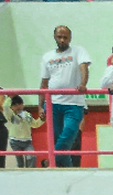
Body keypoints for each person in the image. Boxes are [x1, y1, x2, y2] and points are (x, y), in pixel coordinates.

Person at [38, 24, 89, 168]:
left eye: (65, 37)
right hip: (52, 103)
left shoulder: (79, 51)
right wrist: (40, 106)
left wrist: (83, 84)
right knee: (56, 138)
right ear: (55, 37)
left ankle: (51, 160)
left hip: (74, 103)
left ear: (70, 38)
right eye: (59, 37)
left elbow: (84, 68)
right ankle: (67, 171)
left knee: (68, 135)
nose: (62, 40)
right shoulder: (47, 57)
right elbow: (44, 82)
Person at [4, 94, 43, 169]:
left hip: (27, 141)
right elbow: (5, 107)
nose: (18, 106)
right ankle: (20, 173)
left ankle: (30, 172)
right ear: (11, 107)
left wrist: (41, 120)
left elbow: (35, 124)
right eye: (15, 105)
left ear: (23, 105)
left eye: (19, 104)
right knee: (20, 162)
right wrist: (10, 98)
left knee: (32, 157)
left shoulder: (27, 115)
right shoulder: (11, 116)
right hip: (15, 141)